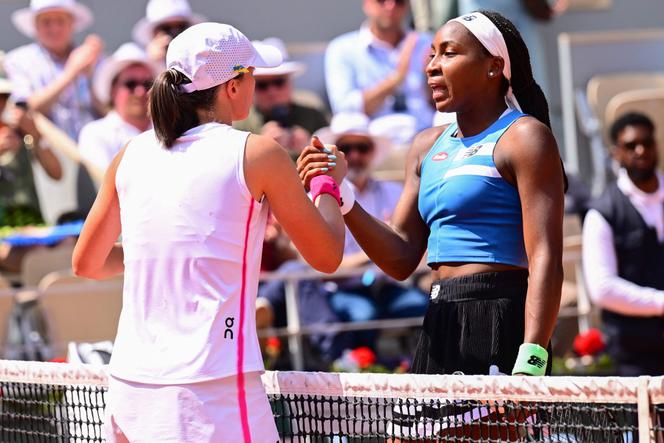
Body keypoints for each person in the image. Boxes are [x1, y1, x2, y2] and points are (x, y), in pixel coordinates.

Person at [72, 23, 347, 442]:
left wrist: (165, 251)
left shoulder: (131, 153)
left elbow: (87, 264)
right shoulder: (256, 152)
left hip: (129, 388)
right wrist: (327, 184)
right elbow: (326, 256)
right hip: (210, 392)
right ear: (232, 87)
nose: (255, 83)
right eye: (251, 74)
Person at [300, 10, 565, 377]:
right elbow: (400, 258)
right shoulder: (425, 146)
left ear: (494, 66)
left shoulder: (526, 138)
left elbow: (546, 256)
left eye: (449, 53)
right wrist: (341, 194)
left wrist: (533, 357)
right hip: (439, 319)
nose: (432, 67)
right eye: (431, 55)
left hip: (502, 318)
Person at [315, 113, 428, 350]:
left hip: (387, 284)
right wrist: (380, 246)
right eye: (347, 148)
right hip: (343, 288)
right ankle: (364, 370)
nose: (355, 155)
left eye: (362, 148)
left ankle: (412, 370)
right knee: (363, 315)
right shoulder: (319, 196)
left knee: (421, 306)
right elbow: (326, 264)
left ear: (371, 152)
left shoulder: (393, 191)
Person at [583, 112, 664, 376]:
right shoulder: (603, 212)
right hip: (634, 356)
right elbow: (602, 289)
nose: (641, 151)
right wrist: (660, 302)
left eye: (647, 143)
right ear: (616, 153)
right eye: (631, 146)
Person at [324, 0, 435, 143]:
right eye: (381, 1)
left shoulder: (427, 43)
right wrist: (396, 79)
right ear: (367, 4)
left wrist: (431, 80)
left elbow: (442, 105)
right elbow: (344, 108)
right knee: (345, 123)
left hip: (425, 134)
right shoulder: (342, 48)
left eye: (399, 1)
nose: (391, 6)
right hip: (371, 144)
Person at [4, 0, 104, 140]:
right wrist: (71, 73)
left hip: (93, 151)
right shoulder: (18, 61)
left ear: (72, 23)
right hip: (47, 154)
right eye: (46, 22)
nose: (54, 28)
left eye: (60, 21)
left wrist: (91, 76)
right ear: (36, 25)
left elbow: (108, 110)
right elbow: (25, 109)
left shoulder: (92, 58)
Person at [0, 72, 63, 274]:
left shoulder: (19, 133)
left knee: (71, 244)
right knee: (25, 257)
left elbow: (56, 173)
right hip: (6, 237)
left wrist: (35, 135)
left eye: (3, 98)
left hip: (33, 228)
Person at [235, 37, 328, 153]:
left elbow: (339, 152)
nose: (272, 92)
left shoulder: (313, 111)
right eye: (262, 85)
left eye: (279, 82)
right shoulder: (239, 120)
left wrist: (311, 147)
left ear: (290, 82)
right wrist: (260, 146)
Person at [78, 43, 157, 176]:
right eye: (130, 84)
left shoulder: (169, 129)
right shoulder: (95, 134)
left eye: (147, 84)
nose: (140, 91)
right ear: (113, 90)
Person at [132, 0, 205, 67]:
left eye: (181, 27)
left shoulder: (203, 61)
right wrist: (152, 63)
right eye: (166, 28)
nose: (175, 33)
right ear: (153, 33)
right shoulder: (139, 70)